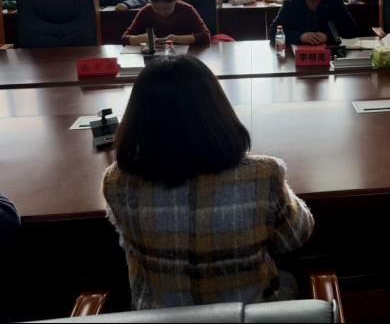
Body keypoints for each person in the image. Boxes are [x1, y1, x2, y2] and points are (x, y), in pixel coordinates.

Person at [103, 55, 314, 309]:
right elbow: (294, 237)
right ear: (217, 110)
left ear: (137, 118)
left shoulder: (117, 182)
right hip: (249, 314)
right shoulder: (263, 175)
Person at [121, 0, 210, 46]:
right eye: (156, 8)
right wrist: (139, 39)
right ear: (150, 3)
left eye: (167, 8)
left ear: (175, 0)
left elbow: (206, 37)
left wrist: (175, 39)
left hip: (184, 56)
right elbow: (124, 38)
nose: (162, 12)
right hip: (155, 58)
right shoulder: (146, 11)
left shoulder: (187, 10)